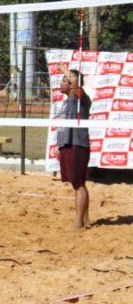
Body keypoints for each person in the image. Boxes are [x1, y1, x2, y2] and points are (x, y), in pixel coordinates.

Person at [57, 69, 92, 230]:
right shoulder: (67, 102)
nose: (61, 83)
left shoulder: (79, 98)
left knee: (79, 184)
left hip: (77, 144)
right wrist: (60, 146)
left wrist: (63, 68)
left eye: (65, 80)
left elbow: (75, 81)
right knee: (77, 183)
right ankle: (85, 220)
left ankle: (78, 223)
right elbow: (63, 126)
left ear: (73, 83)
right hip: (68, 144)